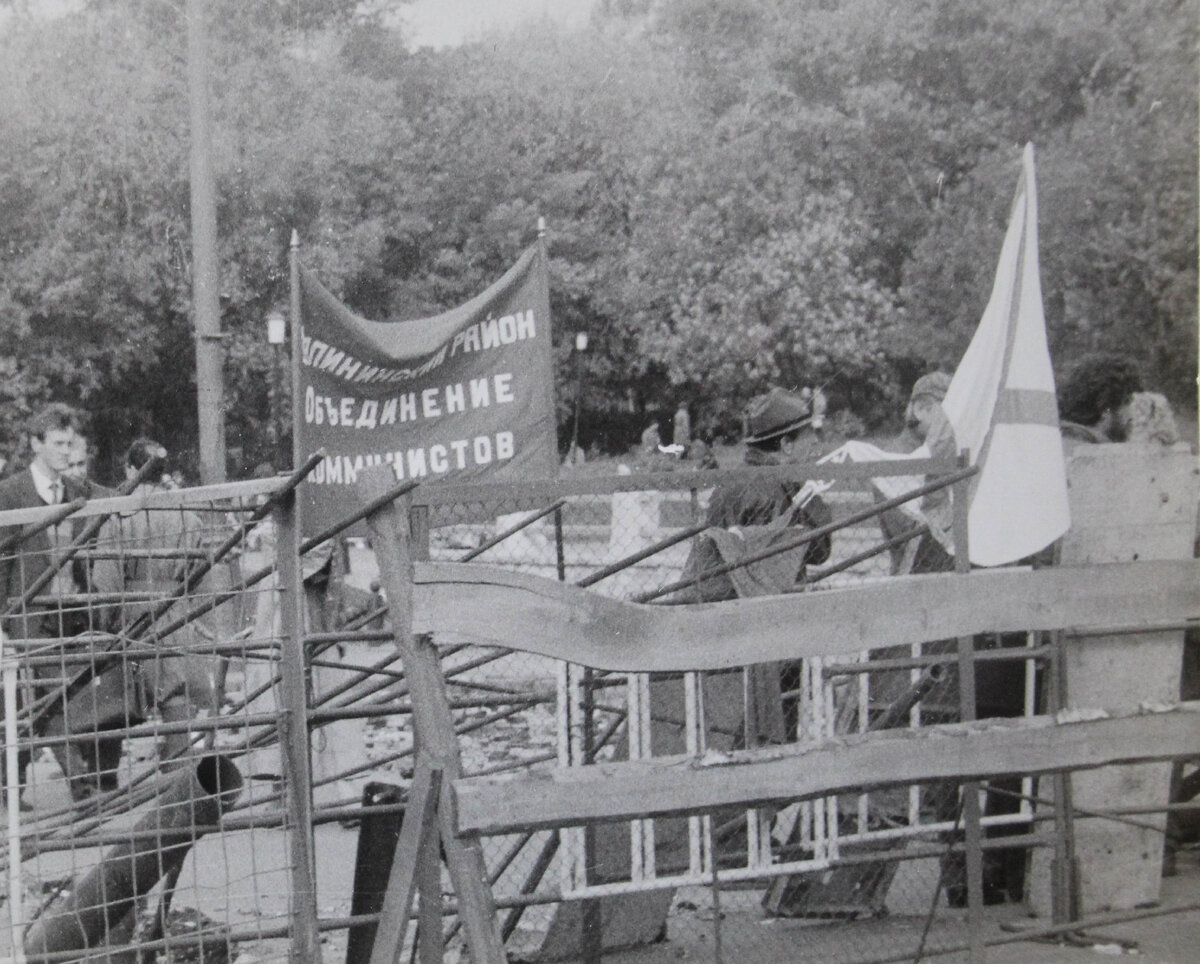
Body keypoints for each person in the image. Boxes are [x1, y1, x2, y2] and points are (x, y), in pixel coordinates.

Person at [0, 404, 121, 803]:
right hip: (30, 613)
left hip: (72, 612)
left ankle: (9, 786)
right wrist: (2, 622)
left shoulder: (76, 491)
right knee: (46, 695)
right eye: (57, 444)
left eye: (69, 444)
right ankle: (80, 785)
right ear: (35, 444)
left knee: (53, 697)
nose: (66, 452)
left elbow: (111, 502)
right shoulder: (9, 493)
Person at [109, 438, 218, 771]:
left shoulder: (119, 516)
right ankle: (178, 766)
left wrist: (107, 621)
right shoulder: (186, 516)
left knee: (122, 694)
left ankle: (110, 777)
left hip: (133, 611)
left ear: (132, 470)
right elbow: (199, 576)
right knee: (175, 689)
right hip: (175, 608)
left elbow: (106, 581)